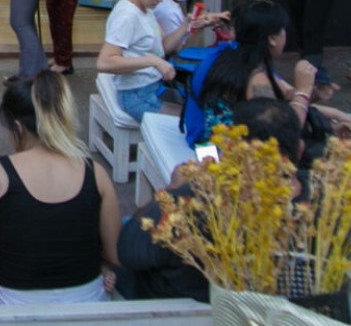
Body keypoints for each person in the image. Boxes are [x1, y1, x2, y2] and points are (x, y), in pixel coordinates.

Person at [0, 72, 120, 304]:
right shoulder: (95, 172)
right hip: (88, 297)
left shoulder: (0, 171)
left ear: (18, 128)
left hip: (14, 301)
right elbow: (114, 253)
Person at [117, 98, 309, 302]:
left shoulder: (195, 205)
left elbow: (126, 252)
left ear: (233, 151)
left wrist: (172, 191)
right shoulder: (327, 207)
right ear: (299, 149)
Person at [194, 0, 351, 147]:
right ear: (272, 38)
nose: (285, 35)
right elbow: (284, 134)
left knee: (346, 122)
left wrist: (316, 96)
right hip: (231, 158)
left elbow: (284, 96)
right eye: (283, 30)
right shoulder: (257, 79)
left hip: (219, 144)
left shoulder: (234, 57)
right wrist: (303, 91)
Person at [97, 0, 176, 121]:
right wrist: (152, 61)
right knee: (186, 123)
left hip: (152, 87)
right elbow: (104, 63)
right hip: (136, 95)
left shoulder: (145, 8)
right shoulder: (127, 16)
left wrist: (189, 26)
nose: (160, 0)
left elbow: (163, 47)